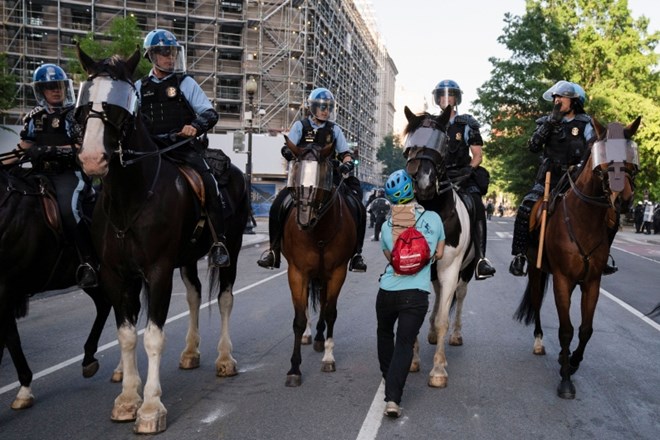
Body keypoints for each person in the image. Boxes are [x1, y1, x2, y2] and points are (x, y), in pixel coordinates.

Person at [135, 29, 229, 267]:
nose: (170, 57)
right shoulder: (138, 87)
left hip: (182, 149)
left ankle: (219, 242)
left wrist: (195, 126)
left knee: (211, 183)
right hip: (150, 151)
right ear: (151, 56)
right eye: (165, 53)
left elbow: (210, 112)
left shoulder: (185, 83)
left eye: (173, 52)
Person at [2, 64, 99, 288]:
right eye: (50, 87)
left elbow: (80, 148)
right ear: (41, 91)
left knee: (69, 209)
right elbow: (21, 149)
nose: (56, 91)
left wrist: (48, 150)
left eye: (59, 86)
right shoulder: (34, 118)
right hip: (39, 174)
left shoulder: (74, 116)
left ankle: (88, 263)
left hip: (69, 174)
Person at [509, 80, 618, 276]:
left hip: (575, 179)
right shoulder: (546, 121)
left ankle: (604, 255)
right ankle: (520, 255)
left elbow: (593, 148)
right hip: (549, 177)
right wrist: (551, 121)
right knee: (526, 207)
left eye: (561, 97)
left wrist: (580, 166)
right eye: (555, 97)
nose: (557, 100)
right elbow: (533, 146)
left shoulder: (585, 123)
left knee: (610, 213)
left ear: (574, 101)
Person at [256, 87, 367, 272]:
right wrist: (287, 152)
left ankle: (356, 254)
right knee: (278, 205)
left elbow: (345, 153)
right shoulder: (300, 126)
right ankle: (273, 250)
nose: (325, 111)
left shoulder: (335, 129)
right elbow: (289, 147)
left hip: (329, 178)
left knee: (357, 206)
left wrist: (347, 163)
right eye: (322, 107)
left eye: (328, 107)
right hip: (301, 178)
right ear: (312, 107)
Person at [376, 169, 445, 418]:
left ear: (391, 198)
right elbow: (438, 254)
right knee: (405, 343)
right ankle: (393, 399)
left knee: (384, 333)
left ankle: (389, 377)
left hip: (388, 291)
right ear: (413, 190)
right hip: (416, 295)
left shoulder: (386, 226)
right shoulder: (435, 219)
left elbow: (390, 257)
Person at [431, 79, 495, 280]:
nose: (446, 99)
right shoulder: (431, 124)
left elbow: (478, 155)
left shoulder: (466, 124)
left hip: (462, 175)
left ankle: (480, 259)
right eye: (442, 96)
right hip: (438, 177)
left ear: (456, 99)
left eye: (450, 96)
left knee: (476, 203)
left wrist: (468, 170)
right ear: (438, 99)